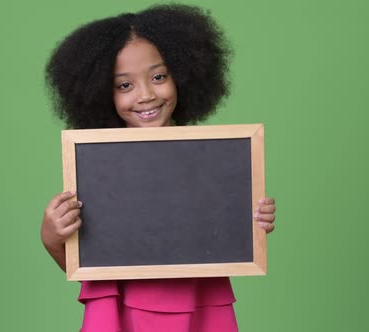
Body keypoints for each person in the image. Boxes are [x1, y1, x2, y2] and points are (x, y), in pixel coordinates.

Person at [41, 4, 276, 331]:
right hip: (120, 308)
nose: (146, 95)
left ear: (183, 74)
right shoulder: (97, 167)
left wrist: (253, 220)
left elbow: (229, 232)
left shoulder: (214, 159)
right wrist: (52, 236)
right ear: (100, 92)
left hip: (202, 301)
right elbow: (87, 264)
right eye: (125, 85)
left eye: (159, 77)